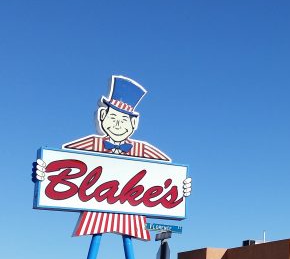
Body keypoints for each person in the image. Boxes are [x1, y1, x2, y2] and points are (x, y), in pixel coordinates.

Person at [34, 76, 191, 241]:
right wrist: (44, 172)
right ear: (102, 115)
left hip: (132, 220)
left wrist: (182, 186)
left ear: (133, 124)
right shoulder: (91, 144)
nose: (118, 125)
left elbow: (168, 166)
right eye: (113, 118)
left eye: (123, 120)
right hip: (94, 217)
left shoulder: (143, 150)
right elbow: (59, 159)